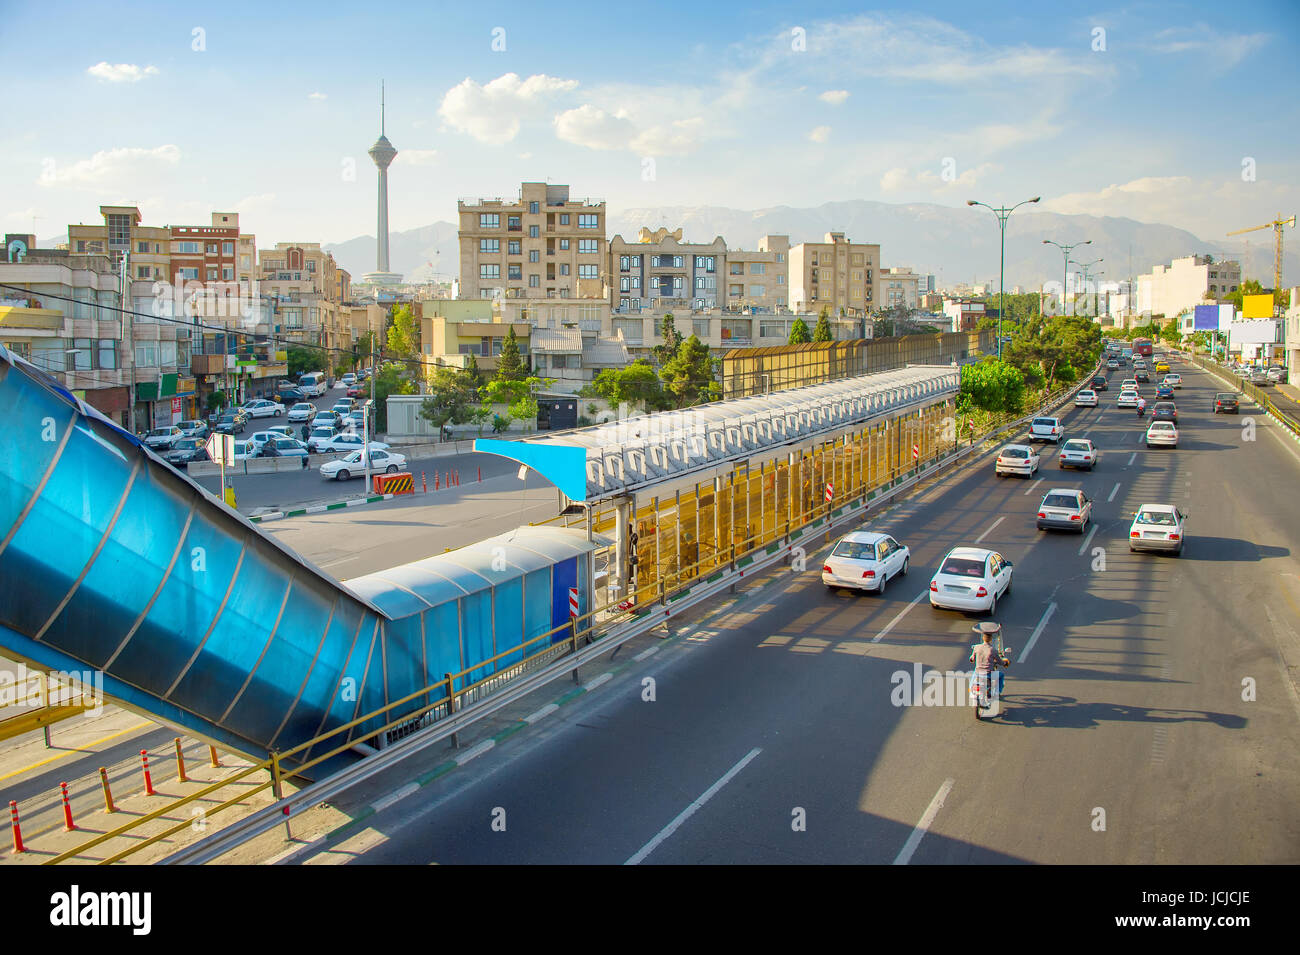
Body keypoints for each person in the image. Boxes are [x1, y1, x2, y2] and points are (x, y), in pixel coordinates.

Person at [969, 627, 1009, 706]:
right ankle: (998, 692)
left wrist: (973, 660)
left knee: (973, 678)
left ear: (983, 638)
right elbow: (999, 661)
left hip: (978, 672)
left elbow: (972, 658)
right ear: (990, 639)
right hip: (988, 674)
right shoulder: (993, 650)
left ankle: (971, 691)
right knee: (1001, 675)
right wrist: (1004, 663)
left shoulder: (976, 647)